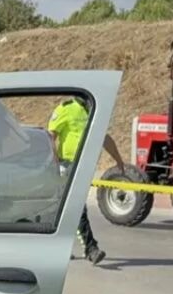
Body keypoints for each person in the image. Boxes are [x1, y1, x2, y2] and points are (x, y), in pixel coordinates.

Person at [48, 95, 127, 265]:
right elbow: (51, 136)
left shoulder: (94, 111)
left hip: (84, 165)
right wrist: (54, 164)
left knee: (64, 211)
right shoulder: (65, 108)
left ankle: (57, 246)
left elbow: (104, 137)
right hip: (67, 165)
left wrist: (118, 159)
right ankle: (91, 248)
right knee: (78, 209)